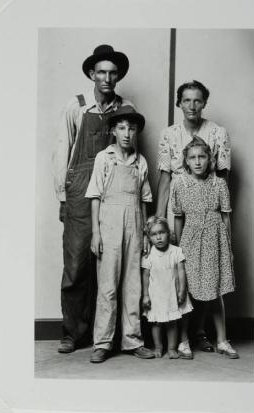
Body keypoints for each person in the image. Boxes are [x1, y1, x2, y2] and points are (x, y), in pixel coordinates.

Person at [53, 44, 135, 353]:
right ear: (91, 74)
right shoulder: (77, 106)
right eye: (101, 72)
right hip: (80, 188)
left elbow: (132, 151)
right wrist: (63, 195)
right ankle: (72, 332)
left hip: (115, 189)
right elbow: (62, 150)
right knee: (77, 262)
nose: (107, 78)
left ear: (118, 76)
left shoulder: (126, 106)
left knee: (110, 262)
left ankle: (105, 335)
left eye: (113, 73)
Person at [156, 80, 231, 351]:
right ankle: (178, 335)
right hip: (179, 205)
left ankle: (200, 332)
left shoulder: (218, 132)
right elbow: (165, 177)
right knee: (181, 271)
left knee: (207, 272)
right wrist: (157, 218)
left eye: (197, 100)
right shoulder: (169, 134)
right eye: (186, 100)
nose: (192, 105)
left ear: (204, 103)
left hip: (207, 210)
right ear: (179, 103)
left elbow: (221, 177)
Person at [85, 106, 155, 363]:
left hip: (135, 224)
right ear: (113, 130)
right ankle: (102, 343)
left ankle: (132, 340)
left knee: (133, 285)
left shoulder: (141, 161)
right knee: (107, 285)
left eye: (132, 128)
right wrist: (96, 233)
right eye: (122, 128)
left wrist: (146, 234)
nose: (127, 134)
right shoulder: (105, 157)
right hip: (109, 224)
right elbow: (94, 197)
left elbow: (145, 200)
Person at [172, 137, 239, 359]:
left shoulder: (219, 183)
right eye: (192, 158)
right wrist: (179, 249)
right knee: (188, 291)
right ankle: (183, 341)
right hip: (190, 240)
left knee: (215, 291)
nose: (198, 162)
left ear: (209, 159)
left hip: (214, 240)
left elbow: (226, 217)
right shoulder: (179, 184)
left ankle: (222, 340)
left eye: (202, 157)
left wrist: (227, 246)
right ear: (186, 161)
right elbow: (179, 218)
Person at [141, 216, 193, 359]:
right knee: (156, 323)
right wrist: (145, 295)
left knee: (172, 322)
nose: (158, 237)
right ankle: (158, 346)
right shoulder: (149, 255)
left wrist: (182, 290)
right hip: (156, 294)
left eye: (161, 232)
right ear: (149, 237)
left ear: (168, 233)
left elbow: (181, 271)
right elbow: (145, 276)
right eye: (154, 234)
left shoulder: (176, 251)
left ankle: (171, 348)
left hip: (172, 293)